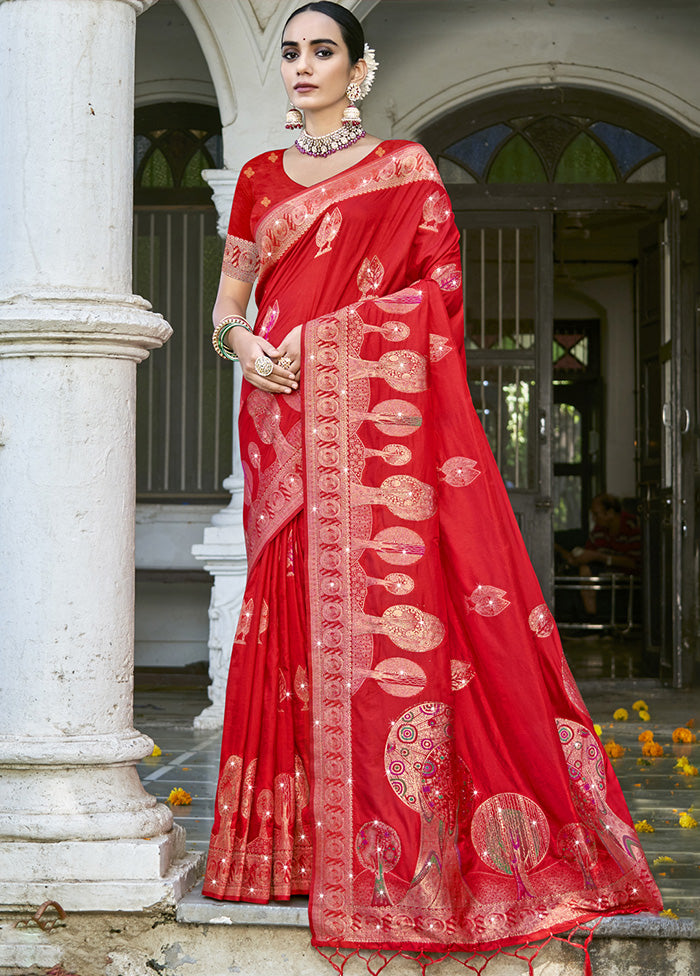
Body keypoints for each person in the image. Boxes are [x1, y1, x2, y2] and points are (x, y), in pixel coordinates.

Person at [202, 1, 661, 966]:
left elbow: (439, 297)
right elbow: (230, 302)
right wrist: (245, 344)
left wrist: (328, 342)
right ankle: (285, 850)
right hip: (285, 427)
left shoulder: (404, 171)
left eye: (322, 51)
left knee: (384, 629)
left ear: (358, 69)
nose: (302, 66)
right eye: (288, 53)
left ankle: (395, 855)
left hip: (374, 441)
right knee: (291, 615)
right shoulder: (256, 180)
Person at [559, 494, 641, 615]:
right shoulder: (598, 531)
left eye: (596, 514)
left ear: (611, 513)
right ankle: (593, 619)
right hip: (604, 572)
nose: (594, 519)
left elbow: (634, 562)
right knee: (584, 570)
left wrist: (599, 557)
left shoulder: (633, 526)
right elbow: (589, 553)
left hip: (630, 575)